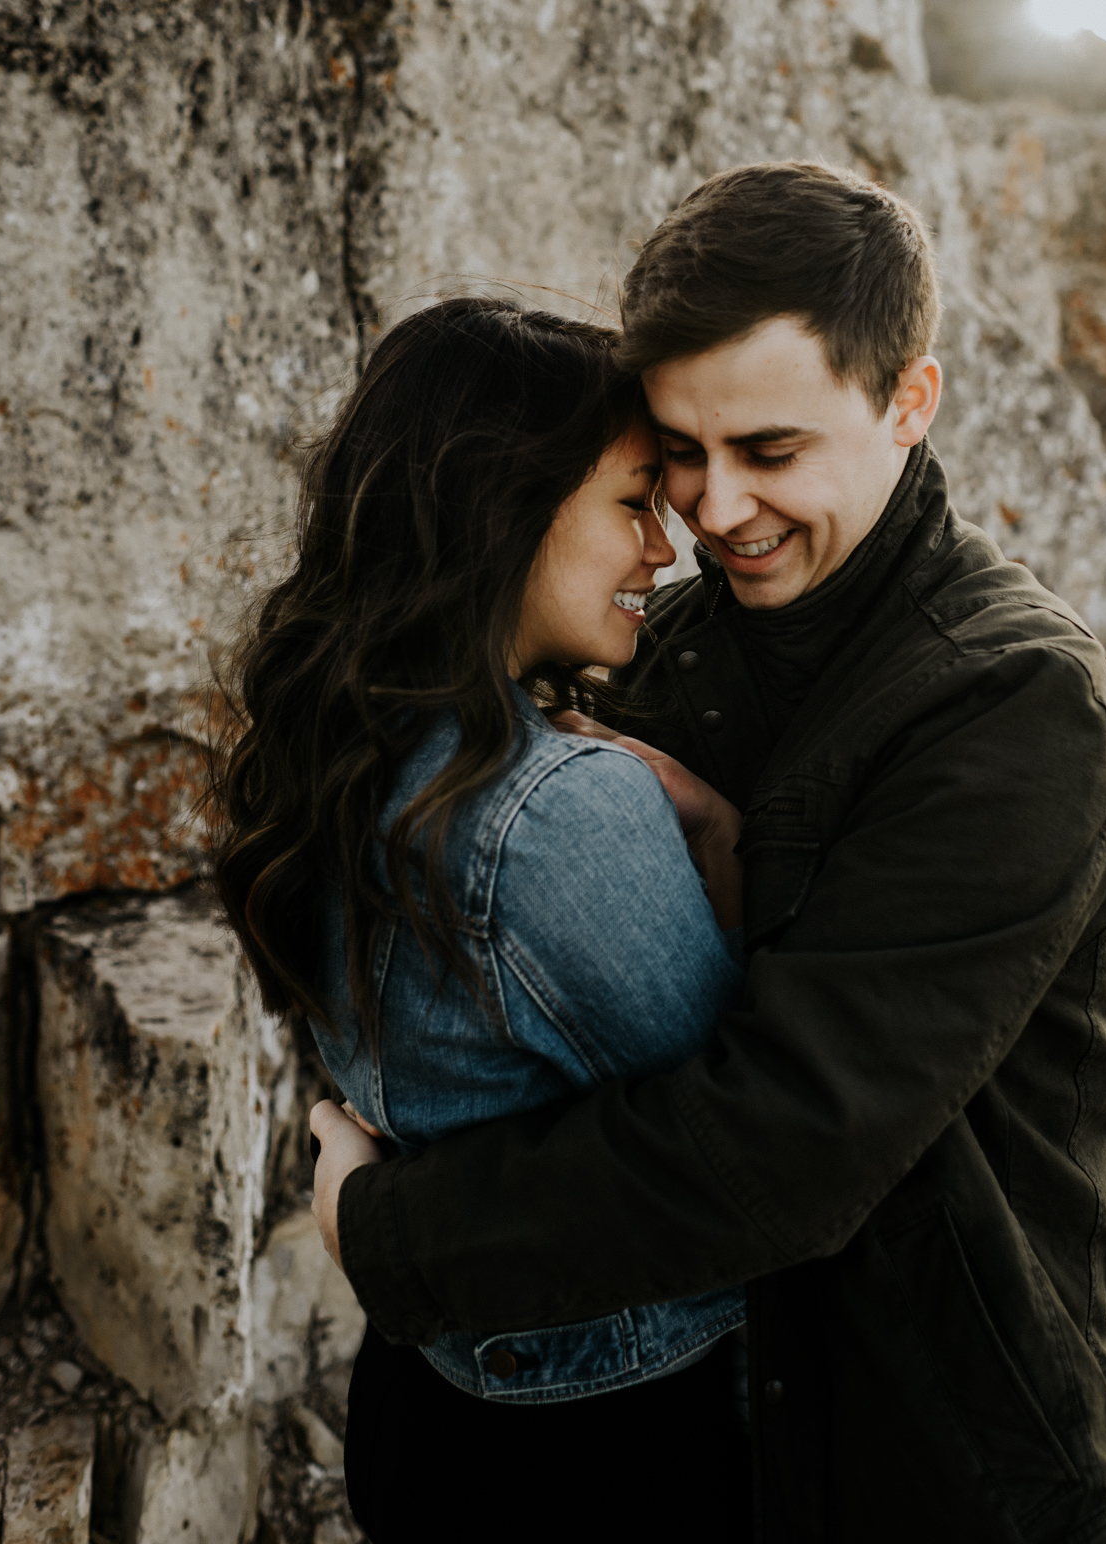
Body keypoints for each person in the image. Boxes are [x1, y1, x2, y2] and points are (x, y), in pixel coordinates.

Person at [313, 162, 1106, 1544]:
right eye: (678, 455)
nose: (709, 511)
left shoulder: (1008, 701)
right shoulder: (674, 643)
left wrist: (389, 1236)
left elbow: (792, 1134)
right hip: (709, 1432)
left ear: (907, 401)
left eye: (767, 451)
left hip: (933, 1445)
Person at [209, 299, 760, 1542]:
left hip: (430, 1395)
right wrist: (722, 840)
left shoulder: (343, 744)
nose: (666, 551)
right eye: (633, 501)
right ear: (503, 511)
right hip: (608, 1440)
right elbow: (754, 1140)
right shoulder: (554, 808)